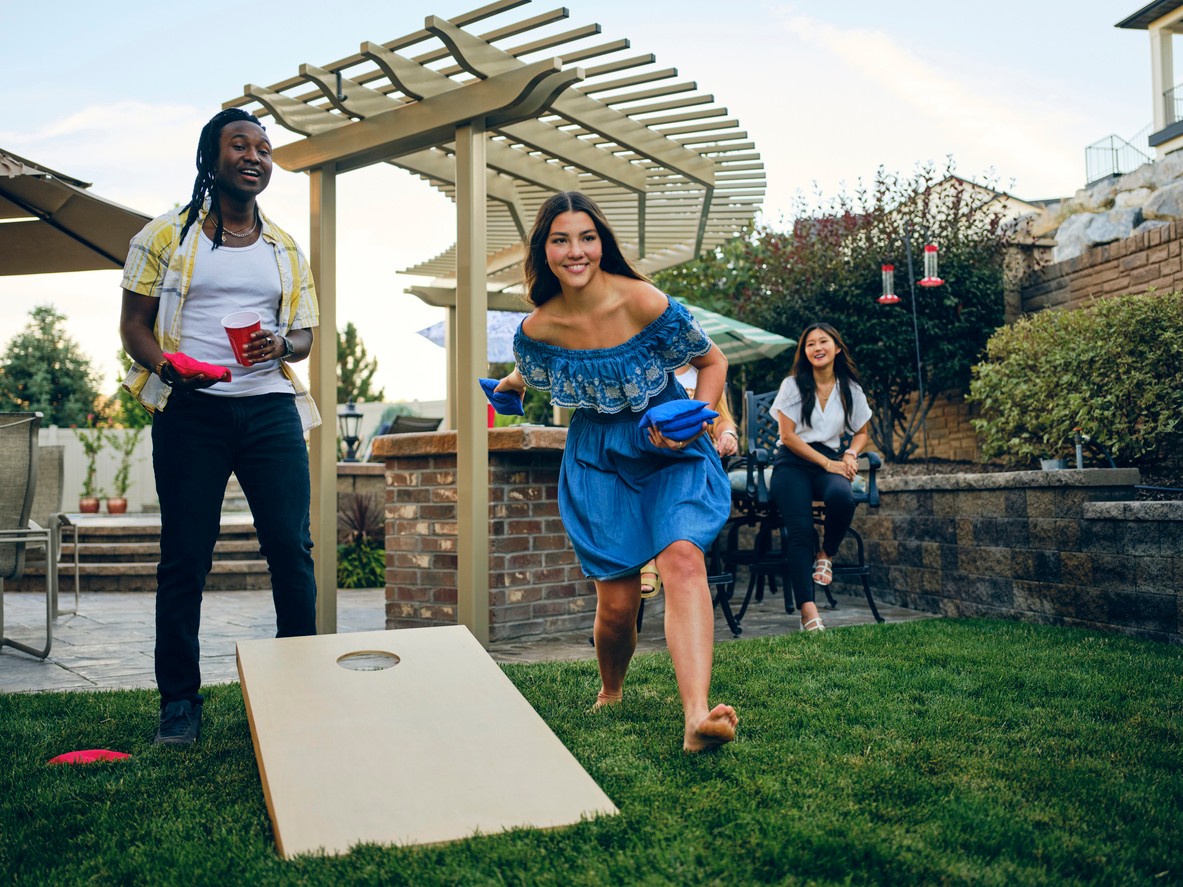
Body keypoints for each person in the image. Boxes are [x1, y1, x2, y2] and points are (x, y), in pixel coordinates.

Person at [496, 191, 738, 752]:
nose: (575, 250)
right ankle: (611, 689)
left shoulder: (643, 301)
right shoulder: (538, 328)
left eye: (586, 237)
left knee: (682, 557)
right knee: (619, 604)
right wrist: (508, 388)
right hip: (597, 457)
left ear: (602, 243)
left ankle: (697, 715)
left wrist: (693, 423)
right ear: (544, 250)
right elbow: (529, 372)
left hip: (666, 445)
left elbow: (712, 360)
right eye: (561, 239)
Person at [119, 108, 320, 746]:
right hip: (191, 413)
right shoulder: (163, 237)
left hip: (269, 410)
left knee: (291, 549)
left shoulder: (284, 247)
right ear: (212, 157)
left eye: (265, 148)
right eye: (242, 145)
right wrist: (169, 366)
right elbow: (133, 327)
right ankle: (179, 704)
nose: (257, 156)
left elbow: (307, 334)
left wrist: (281, 345)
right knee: (185, 558)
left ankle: (300, 687)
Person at [767, 322, 872, 632]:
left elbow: (862, 432)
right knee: (799, 532)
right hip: (792, 463)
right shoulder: (792, 385)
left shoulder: (850, 389)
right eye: (810, 344)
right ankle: (808, 611)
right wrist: (830, 464)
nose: (816, 348)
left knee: (842, 497)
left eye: (823, 341)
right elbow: (787, 437)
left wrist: (850, 454)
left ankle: (827, 553)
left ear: (836, 348)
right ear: (805, 352)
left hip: (830, 460)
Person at [639, 365, 739, 597]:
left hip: (695, 460)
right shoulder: (649, 367)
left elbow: (721, 418)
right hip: (654, 455)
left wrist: (728, 434)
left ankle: (650, 557)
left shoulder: (704, 369)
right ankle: (650, 555)